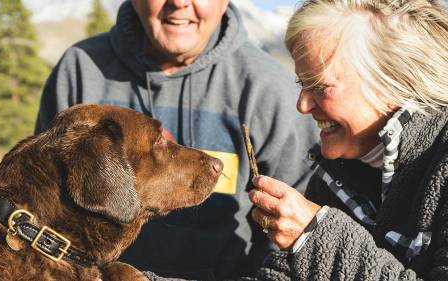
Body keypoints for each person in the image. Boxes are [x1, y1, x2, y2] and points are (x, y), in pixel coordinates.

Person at [34, 0, 318, 280]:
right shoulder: (82, 71)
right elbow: (41, 206)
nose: (179, 3)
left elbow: (292, 238)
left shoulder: (269, 89)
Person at [238, 0, 448, 280]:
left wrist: (313, 235)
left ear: (395, 81)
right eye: (302, 84)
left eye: (320, 86)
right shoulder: (335, 177)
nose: (302, 105)